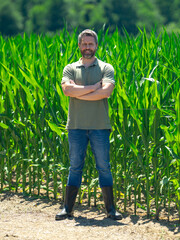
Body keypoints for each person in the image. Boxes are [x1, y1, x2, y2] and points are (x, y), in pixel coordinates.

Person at [55, 29, 122, 221]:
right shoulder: (70, 68)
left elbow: (106, 92)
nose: (87, 47)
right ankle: (67, 209)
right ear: (79, 45)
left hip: (100, 126)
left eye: (90, 44)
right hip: (75, 126)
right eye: (84, 44)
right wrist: (94, 88)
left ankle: (111, 210)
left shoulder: (106, 68)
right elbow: (67, 91)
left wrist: (80, 92)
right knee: (75, 167)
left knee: (104, 167)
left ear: (96, 46)